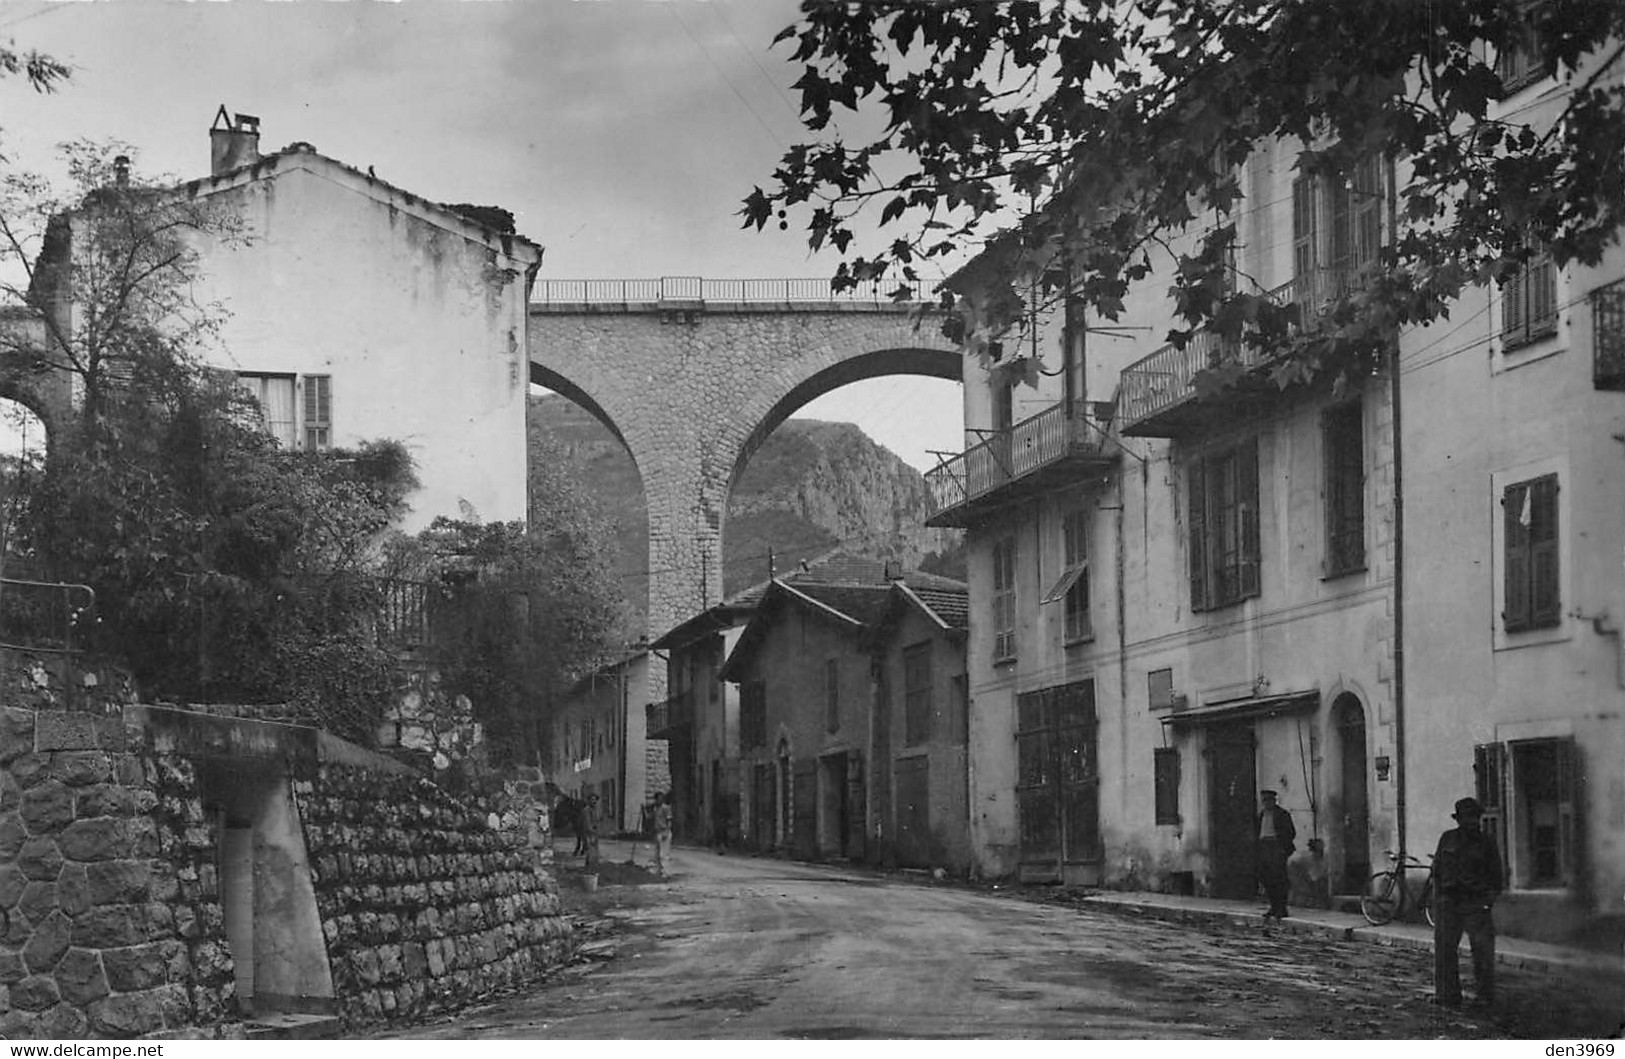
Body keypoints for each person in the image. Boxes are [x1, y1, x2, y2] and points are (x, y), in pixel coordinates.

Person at [1433, 796, 1503, 1008]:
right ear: (1458, 819)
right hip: (1449, 902)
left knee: (1482, 951)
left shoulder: (1486, 843)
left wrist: (1488, 900)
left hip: (1475, 902)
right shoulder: (1447, 839)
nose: (1471, 822)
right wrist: (1439, 896)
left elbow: (1496, 876)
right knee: (1445, 950)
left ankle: (1484, 997)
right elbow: (1437, 868)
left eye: (1475, 818)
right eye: (1466, 818)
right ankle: (1448, 996)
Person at [1256, 789, 1296, 919]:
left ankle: (1281, 908)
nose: (1266, 803)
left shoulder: (1282, 814)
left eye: (1269, 800)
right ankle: (1273, 907)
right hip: (1264, 847)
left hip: (1277, 847)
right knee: (1267, 879)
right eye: (1264, 801)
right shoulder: (1261, 815)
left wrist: (1283, 847)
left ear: (1274, 801)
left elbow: (1290, 832)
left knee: (1279, 879)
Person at [653, 791, 674, 877]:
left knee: (664, 854)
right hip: (658, 832)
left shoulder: (666, 808)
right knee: (657, 854)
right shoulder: (656, 809)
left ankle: (666, 872)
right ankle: (659, 871)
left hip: (664, 831)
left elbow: (669, 821)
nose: (660, 800)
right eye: (658, 798)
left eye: (661, 798)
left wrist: (666, 831)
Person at [581, 792, 602, 872]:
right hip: (589, 834)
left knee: (595, 853)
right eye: (592, 800)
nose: (594, 801)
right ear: (588, 801)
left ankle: (592, 869)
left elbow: (597, 821)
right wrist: (592, 834)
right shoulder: (586, 810)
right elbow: (587, 824)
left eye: (595, 800)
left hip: (594, 834)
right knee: (591, 853)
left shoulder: (595, 810)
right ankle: (589, 870)